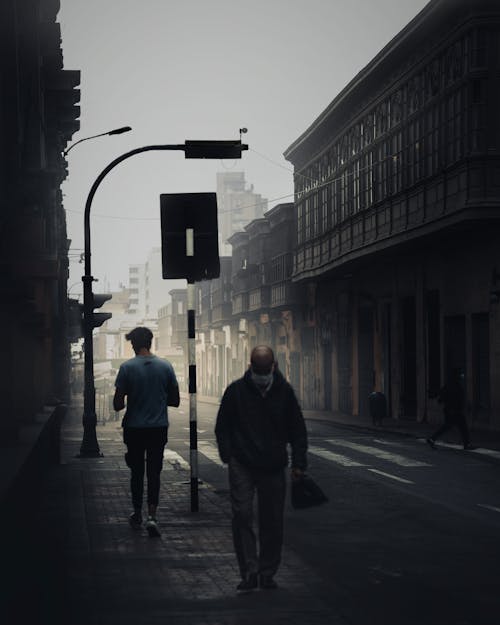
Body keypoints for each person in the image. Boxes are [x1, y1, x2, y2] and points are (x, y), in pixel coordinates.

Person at [215, 345, 308, 592]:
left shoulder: (284, 392)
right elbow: (222, 425)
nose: (262, 373)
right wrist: (228, 455)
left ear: (273, 367)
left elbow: (297, 429)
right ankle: (249, 571)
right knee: (242, 514)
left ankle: (267, 572)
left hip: (273, 465)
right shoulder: (236, 391)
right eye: (258, 369)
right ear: (250, 367)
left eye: (265, 370)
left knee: (272, 520)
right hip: (242, 463)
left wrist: (298, 463)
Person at [113, 326, 180, 537]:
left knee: (136, 472)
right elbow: (175, 400)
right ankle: (152, 516)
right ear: (151, 342)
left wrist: (131, 397)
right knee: (154, 472)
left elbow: (117, 404)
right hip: (158, 428)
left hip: (134, 428)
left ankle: (137, 513)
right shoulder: (166, 367)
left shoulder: (126, 368)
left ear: (133, 344)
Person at [427, 368, 474, 451]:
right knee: (462, 427)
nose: (462, 376)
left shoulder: (449, 384)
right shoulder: (454, 385)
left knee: (448, 426)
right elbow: (455, 398)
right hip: (454, 410)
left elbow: (441, 398)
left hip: (450, 410)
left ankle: (432, 439)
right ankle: (466, 444)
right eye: (460, 375)